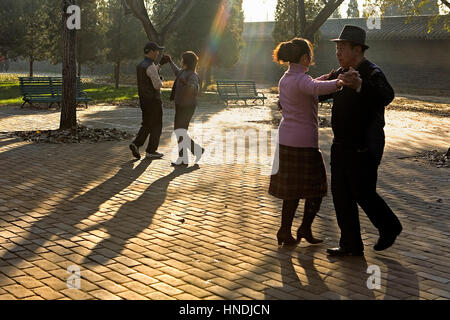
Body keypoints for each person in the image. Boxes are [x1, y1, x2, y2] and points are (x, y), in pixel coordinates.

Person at [320, 25, 403, 257]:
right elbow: (322, 91)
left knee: (363, 192)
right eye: (336, 47)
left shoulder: (371, 71)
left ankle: (389, 226)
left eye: (342, 47)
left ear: (357, 49)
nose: (338, 52)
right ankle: (351, 244)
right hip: (341, 144)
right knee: (341, 195)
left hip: (364, 145)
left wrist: (360, 86)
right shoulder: (341, 72)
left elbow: (387, 95)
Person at [269, 38, 345, 246]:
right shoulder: (302, 81)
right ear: (304, 58)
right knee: (317, 188)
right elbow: (315, 88)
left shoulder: (286, 78)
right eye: (310, 57)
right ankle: (304, 227)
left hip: (286, 140)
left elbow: (311, 84)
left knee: (290, 191)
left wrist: (327, 77)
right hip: (303, 144)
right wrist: (339, 82)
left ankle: (285, 231)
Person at [162, 51, 204, 167]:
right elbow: (176, 71)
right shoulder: (183, 72)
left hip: (188, 106)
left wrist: (186, 84)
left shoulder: (192, 75)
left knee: (180, 131)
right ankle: (192, 153)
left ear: (186, 62)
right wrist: (170, 61)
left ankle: (185, 157)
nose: (181, 61)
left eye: (182, 59)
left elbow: (195, 89)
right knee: (180, 131)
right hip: (180, 105)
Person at [129, 42, 165, 160]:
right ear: (150, 51)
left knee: (147, 124)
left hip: (144, 99)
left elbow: (150, 73)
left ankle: (136, 144)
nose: (158, 53)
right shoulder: (150, 66)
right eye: (156, 51)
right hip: (154, 100)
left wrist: (160, 65)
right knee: (157, 125)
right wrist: (161, 80)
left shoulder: (141, 65)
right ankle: (151, 150)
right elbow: (157, 85)